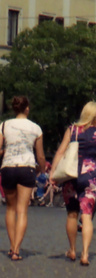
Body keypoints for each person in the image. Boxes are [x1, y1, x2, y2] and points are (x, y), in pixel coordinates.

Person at [50, 101, 96, 266]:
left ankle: (72, 250)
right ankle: (85, 254)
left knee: (71, 214)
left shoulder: (72, 130)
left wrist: (53, 172)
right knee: (87, 215)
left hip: (71, 175)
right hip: (89, 175)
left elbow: (61, 151)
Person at [0, 95, 45, 261]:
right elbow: (40, 155)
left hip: (8, 167)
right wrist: (42, 169)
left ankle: (11, 246)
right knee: (22, 210)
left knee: (10, 209)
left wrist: (7, 150)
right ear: (27, 108)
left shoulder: (3, 125)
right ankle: (17, 250)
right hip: (27, 167)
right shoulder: (36, 128)